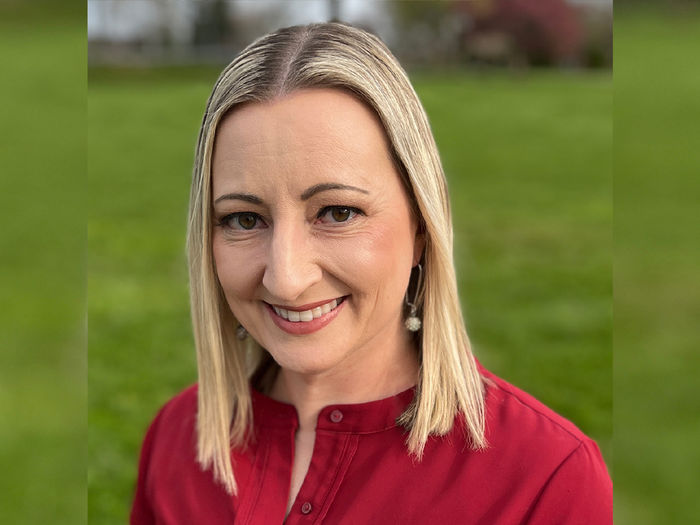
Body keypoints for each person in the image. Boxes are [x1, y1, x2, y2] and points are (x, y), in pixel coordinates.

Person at [131, 22, 611, 524]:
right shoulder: (176, 441)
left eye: (337, 212)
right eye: (244, 220)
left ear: (421, 225)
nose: (286, 278)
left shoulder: (545, 479)